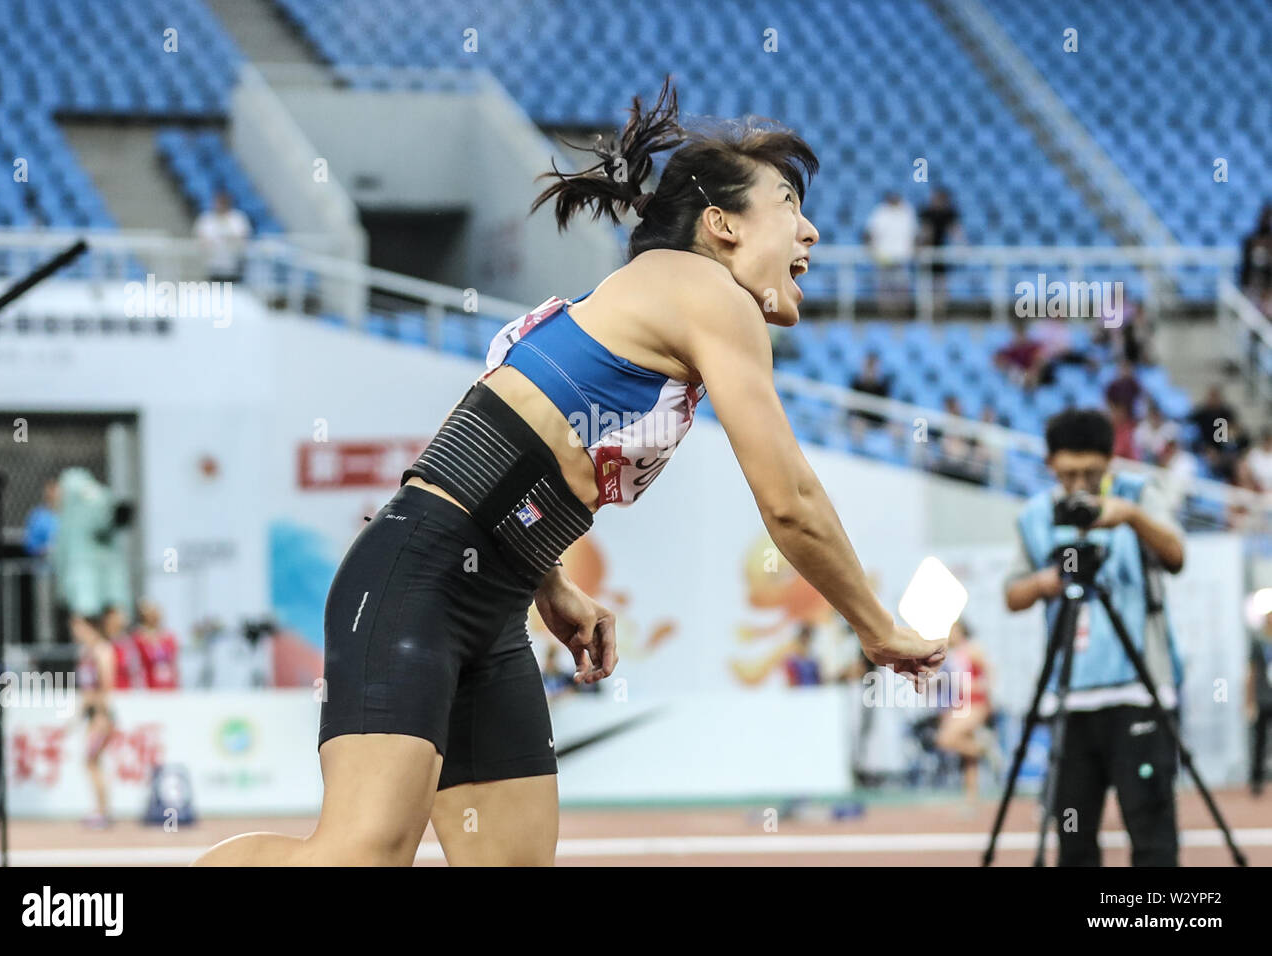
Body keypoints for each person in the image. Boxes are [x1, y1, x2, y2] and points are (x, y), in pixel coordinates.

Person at [195, 77, 944, 867]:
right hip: (416, 580)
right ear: (721, 226)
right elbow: (789, 502)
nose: (813, 230)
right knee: (361, 854)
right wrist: (875, 626)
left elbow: (504, 430)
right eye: (789, 203)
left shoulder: (641, 300)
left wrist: (551, 582)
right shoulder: (706, 293)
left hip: (490, 605)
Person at [1004, 408, 1186, 866]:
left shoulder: (1137, 494)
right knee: (1073, 835)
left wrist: (1128, 517)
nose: (1080, 484)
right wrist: (1050, 580)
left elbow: (1177, 555)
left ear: (1111, 461)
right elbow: (1013, 593)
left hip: (1138, 690)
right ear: (1050, 465)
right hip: (1070, 698)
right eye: (1068, 473)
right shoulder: (1033, 515)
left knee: (1151, 827)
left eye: (1091, 471)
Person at [933, 619, 991, 805]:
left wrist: (978, 687)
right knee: (967, 756)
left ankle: (983, 749)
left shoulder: (972, 649)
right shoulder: (950, 654)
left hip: (975, 704)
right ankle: (971, 797)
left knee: (945, 739)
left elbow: (988, 673)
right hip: (959, 705)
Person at [71, 611, 118, 829]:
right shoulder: (86, 652)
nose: (75, 632)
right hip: (92, 714)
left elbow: (105, 686)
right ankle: (101, 809)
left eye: (79, 627)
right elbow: (86, 690)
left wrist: (100, 715)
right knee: (92, 762)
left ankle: (103, 811)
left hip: (101, 714)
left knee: (91, 761)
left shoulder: (102, 650)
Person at [863, 191, 917, 316]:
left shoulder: (907, 211)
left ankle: (901, 315)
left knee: (902, 290)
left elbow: (914, 234)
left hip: (902, 259)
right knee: (884, 290)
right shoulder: (880, 212)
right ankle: (885, 314)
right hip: (883, 258)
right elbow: (869, 233)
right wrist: (872, 251)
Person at [918, 188, 965, 316]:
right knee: (927, 282)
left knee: (941, 283)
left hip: (941, 252)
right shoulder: (926, 213)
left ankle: (940, 311)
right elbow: (924, 232)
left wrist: (962, 246)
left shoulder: (949, 213)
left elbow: (955, 231)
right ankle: (926, 311)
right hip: (928, 252)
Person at [193, 190, 252, 284]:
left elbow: (243, 237)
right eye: (218, 203)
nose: (220, 206)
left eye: (223, 203)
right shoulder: (206, 219)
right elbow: (201, 239)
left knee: (233, 293)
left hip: (232, 266)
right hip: (213, 266)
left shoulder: (238, 219)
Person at [1247, 613, 1272, 796]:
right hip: (1263, 699)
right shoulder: (1258, 643)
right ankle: (1256, 780)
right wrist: (1250, 701)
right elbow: (1252, 673)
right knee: (1260, 742)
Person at [132, 598, 179, 690]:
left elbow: (174, 664)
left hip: (168, 686)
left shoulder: (169, 638)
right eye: (150, 613)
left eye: (156, 612)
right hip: (149, 687)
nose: (154, 616)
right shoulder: (138, 639)